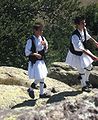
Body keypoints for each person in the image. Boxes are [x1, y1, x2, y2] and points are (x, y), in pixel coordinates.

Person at [65, 16, 98, 92]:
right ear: (77, 25)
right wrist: (92, 56)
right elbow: (79, 48)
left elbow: (87, 36)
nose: (84, 24)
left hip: (83, 51)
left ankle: (85, 80)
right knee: (81, 69)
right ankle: (84, 86)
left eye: (84, 22)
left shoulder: (84, 29)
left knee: (89, 66)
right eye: (82, 23)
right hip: (76, 54)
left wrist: (95, 42)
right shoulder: (75, 36)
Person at [25, 22, 50, 98]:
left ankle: (39, 92)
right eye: (39, 30)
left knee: (42, 77)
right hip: (34, 61)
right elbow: (27, 52)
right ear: (35, 31)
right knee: (40, 77)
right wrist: (35, 54)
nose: (41, 32)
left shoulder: (42, 38)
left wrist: (45, 45)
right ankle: (32, 89)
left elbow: (46, 49)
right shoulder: (31, 40)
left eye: (42, 30)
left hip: (41, 60)